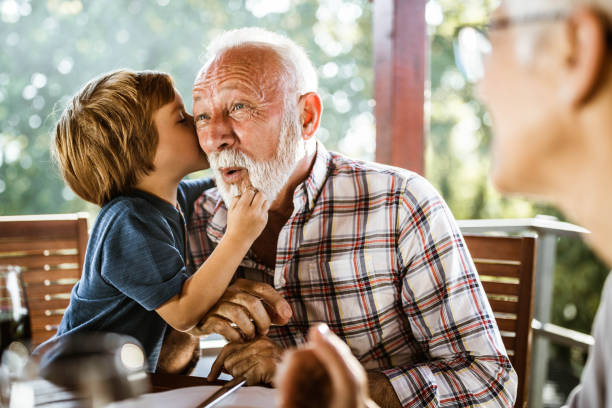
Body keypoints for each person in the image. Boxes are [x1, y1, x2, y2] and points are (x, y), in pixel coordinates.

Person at [282, 0, 612, 407]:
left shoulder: (400, 198)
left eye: (494, 38)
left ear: (574, 49)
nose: (481, 85)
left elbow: (490, 382)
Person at [188, 28, 517, 407]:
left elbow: (489, 384)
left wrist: (312, 378)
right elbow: (157, 358)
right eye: (201, 115)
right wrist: (196, 311)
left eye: (240, 107)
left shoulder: (400, 203)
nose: (214, 137)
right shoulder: (199, 219)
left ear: (306, 117)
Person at [44, 69, 281, 373]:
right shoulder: (127, 221)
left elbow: (224, 179)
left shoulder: (172, 198)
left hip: (118, 382)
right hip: (69, 383)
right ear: (138, 151)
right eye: (181, 118)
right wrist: (239, 235)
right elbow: (183, 312)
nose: (197, 120)